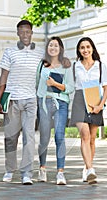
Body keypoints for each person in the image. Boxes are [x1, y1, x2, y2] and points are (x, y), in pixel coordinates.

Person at [0, 20, 43, 185]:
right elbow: (3, 76)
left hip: (31, 99)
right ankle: (9, 170)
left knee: (29, 137)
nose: (25, 34)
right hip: (12, 100)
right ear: (17, 33)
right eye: (21, 32)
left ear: (31, 33)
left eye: (27, 31)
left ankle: (26, 173)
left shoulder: (40, 53)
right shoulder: (9, 52)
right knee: (10, 137)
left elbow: (46, 74)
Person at [70, 37, 107, 184]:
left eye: (88, 47)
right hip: (80, 100)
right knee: (85, 135)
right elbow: (70, 86)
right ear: (79, 50)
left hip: (95, 100)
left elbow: (106, 88)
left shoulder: (100, 66)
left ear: (92, 48)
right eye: (82, 48)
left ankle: (87, 169)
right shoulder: (75, 66)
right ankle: (90, 168)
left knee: (92, 139)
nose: (85, 50)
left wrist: (100, 105)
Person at [36, 36, 74, 185]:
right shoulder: (42, 65)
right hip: (44, 102)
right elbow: (37, 84)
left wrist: (55, 84)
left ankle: (60, 172)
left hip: (61, 103)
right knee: (44, 137)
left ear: (60, 49)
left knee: (59, 137)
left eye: (56, 46)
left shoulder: (66, 65)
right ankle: (42, 168)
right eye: (50, 45)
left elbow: (70, 88)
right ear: (47, 48)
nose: (53, 48)